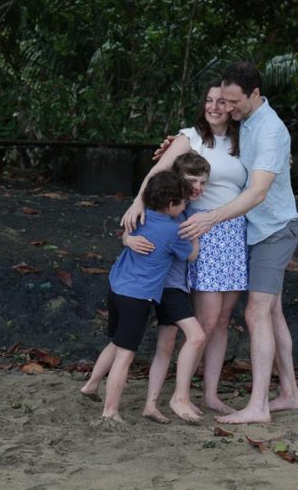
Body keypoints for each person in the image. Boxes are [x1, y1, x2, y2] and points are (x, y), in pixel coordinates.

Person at [178, 61, 298, 424]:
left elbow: (260, 191)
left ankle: (259, 406)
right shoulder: (248, 121)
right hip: (255, 230)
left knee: (256, 312)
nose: (228, 109)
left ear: (255, 95)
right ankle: (289, 393)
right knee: (273, 312)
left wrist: (213, 217)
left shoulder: (270, 131)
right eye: (224, 102)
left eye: (234, 102)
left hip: (273, 231)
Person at [121, 79, 249, 415]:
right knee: (203, 321)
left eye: (222, 102)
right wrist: (138, 203)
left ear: (235, 106)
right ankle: (180, 395)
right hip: (198, 228)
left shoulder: (244, 140)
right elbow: (159, 171)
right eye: (209, 100)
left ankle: (210, 393)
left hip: (234, 231)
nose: (214, 107)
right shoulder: (189, 137)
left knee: (221, 320)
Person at [80, 171, 199, 423]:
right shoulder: (173, 230)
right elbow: (190, 255)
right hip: (138, 296)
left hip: (117, 286)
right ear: (171, 205)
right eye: (183, 202)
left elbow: (126, 234)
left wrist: (126, 238)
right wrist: (195, 235)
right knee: (125, 354)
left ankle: (91, 384)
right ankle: (110, 411)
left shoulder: (140, 217)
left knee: (116, 342)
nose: (185, 206)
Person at [123, 153, 210, 423]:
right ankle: (179, 397)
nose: (198, 188)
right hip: (169, 286)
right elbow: (133, 227)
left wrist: (128, 238)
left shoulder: (180, 209)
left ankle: (151, 403)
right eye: (192, 181)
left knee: (166, 344)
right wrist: (127, 239)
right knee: (196, 336)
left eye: (203, 183)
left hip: (171, 286)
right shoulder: (171, 211)